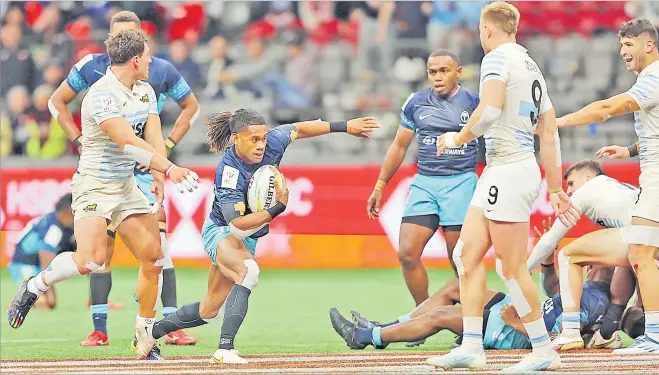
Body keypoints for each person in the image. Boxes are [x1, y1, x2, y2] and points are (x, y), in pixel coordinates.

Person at [7, 29, 200, 361]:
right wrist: (169, 168)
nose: (152, 60)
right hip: (94, 184)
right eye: (149, 55)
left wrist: (157, 175)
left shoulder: (145, 91)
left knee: (154, 258)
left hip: (126, 185)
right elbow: (126, 141)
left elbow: (152, 134)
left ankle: (144, 338)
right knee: (91, 261)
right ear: (136, 59)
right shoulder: (100, 95)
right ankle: (35, 286)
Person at [132, 109, 380, 363]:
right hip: (223, 231)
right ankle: (225, 349)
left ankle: (149, 333)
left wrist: (345, 125)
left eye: (263, 138)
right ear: (237, 138)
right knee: (248, 271)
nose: (261, 144)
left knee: (209, 310)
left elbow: (300, 128)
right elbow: (238, 226)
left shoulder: (273, 141)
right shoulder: (230, 171)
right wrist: (277, 208)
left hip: (247, 236)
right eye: (254, 139)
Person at [426, 2, 579, 372]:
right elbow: (549, 130)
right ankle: (472, 347)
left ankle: (543, 350)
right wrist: (555, 187)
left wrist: (457, 138)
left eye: (480, 31)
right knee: (466, 256)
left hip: (509, 169)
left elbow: (490, 111)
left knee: (510, 269)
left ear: (488, 30)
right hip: (506, 170)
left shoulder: (496, 60)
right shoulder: (531, 66)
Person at [556, 18, 659, 354]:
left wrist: (557, 122)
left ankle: (655, 337)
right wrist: (630, 150)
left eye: (629, 45)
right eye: (621, 46)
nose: (623, 52)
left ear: (649, 44)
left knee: (640, 254)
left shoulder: (655, 78)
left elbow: (607, 108)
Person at [367, 49, 479, 313]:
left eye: (444, 71)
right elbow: (399, 146)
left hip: (460, 183)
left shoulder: (475, 102)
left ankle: (466, 321)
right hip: (425, 183)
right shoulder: (416, 102)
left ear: (458, 72)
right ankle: (423, 315)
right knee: (407, 253)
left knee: (460, 261)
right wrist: (380, 185)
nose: (438, 77)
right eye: (433, 72)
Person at [329, 268, 610, 351]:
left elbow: (561, 342)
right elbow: (552, 296)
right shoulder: (586, 286)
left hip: (516, 331)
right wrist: (548, 262)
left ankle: (365, 337)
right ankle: (387, 327)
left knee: (440, 317)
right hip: (521, 311)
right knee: (455, 287)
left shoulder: (594, 301)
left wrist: (514, 323)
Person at [524, 159, 641, 350]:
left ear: (588, 177)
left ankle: (570, 331)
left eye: (571, 183)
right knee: (635, 265)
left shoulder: (589, 190)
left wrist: (524, 270)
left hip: (640, 232)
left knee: (568, 255)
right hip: (656, 227)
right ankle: (616, 331)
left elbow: (550, 240)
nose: (568, 191)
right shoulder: (615, 191)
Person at [7, 193, 74, 310]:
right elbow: (46, 258)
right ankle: (16, 305)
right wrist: (50, 290)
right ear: (68, 211)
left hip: (36, 266)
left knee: (49, 303)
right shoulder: (54, 229)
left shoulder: (57, 221)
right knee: (43, 303)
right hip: (24, 264)